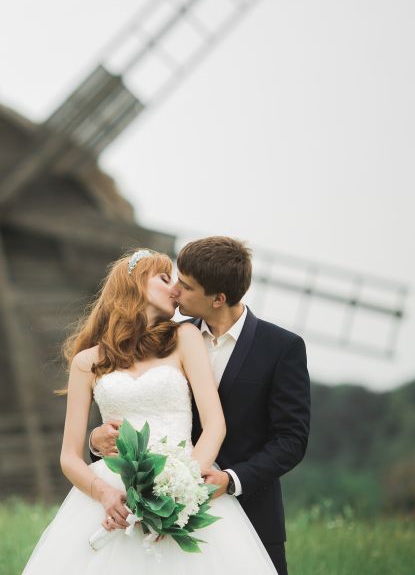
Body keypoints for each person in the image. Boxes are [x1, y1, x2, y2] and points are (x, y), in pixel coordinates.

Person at [22, 248, 279, 573]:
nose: (176, 288)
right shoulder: (87, 362)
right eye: (164, 278)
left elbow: (215, 425)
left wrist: (184, 488)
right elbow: (69, 457)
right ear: (134, 284)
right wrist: (104, 495)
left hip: (183, 480)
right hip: (115, 489)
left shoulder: (184, 337)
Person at [88, 237, 310, 575]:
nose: (175, 290)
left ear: (218, 299)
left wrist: (230, 479)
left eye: (186, 286)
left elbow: (291, 440)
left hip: (249, 511)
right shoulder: (166, 338)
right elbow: (131, 400)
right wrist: (98, 443)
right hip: (154, 504)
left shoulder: (281, 348)